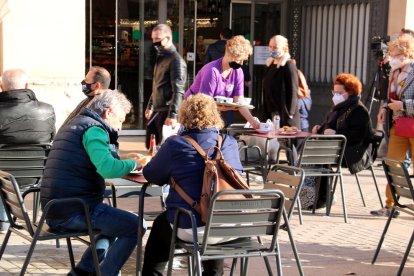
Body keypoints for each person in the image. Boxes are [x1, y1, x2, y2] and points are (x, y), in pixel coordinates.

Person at [40, 90, 146, 275]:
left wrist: (124, 158)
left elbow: (98, 158)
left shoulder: (75, 124)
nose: (120, 127)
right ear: (108, 112)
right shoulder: (94, 129)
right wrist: (134, 163)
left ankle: (82, 271)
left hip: (56, 208)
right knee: (136, 226)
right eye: (120, 120)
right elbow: (107, 169)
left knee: (115, 222)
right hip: (74, 211)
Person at [142, 94, 243, 276]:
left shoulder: (175, 144)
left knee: (161, 225)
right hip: (233, 227)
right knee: (213, 214)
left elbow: (151, 174)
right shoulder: (230, 143)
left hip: (191, 227)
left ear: (184, 116)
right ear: (215, 115)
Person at [0, 68, 55, 233]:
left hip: (4, 175)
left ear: (2, 87)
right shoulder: (47, 110)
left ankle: (3, 220)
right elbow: (52, 137)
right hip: (36, 175)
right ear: (26, 86)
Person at [307, 73, 373, 209]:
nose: (335, 96)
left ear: (350, 92)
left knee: (320, 156)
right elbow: (328, 127)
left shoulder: (359, 110)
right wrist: (319, 129)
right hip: (335, 149)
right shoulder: (338, 108)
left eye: (339, 92)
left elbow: (358, 136)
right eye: (334, 92)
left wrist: (337, 133)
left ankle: (323, 197)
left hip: (353, 152)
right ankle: (317, 195)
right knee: (312, 154)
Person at [371, 34, 414, 217]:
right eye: (392, 54)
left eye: (396, 55)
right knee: (393, 164)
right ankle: (390, 204)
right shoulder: (394, 73)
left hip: (411, 122)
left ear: (407, 54)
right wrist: (384, 108)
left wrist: (404, 106)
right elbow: (390, 97)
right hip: (398, 125)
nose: (393, 58)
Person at [184, 35, 259, 129]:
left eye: (243, 60)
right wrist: (224, 108)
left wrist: (253, 122)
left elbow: (239, 100)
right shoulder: (212, 71)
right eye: (238, 59)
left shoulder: (238, 71)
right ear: (228, 53)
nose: (241, 63)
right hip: (193, 110)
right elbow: (205, 104)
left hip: (212, 110)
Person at [145, 23, 187, 149]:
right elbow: (157, 83)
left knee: (163, 148)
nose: (154, 42)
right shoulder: (161, 57)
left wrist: (173, 114)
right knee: (151, 145)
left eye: (157, 39)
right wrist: (150, 105)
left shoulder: (176, 60)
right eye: (153, 39)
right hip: (158, 110)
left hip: (166, 110)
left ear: (168, 38)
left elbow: (178, 90)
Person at [262, 35, 300, 129]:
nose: (271, 49)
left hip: (285, 114)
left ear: (284, 48)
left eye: (275, 47)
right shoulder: (270, 65)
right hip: (271, 114)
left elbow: (293, 89)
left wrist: (290, 113)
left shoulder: (289, 65)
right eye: (270, 46)